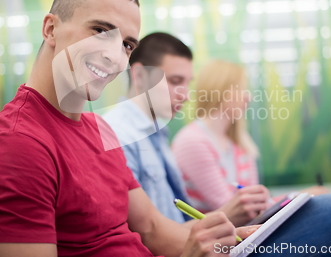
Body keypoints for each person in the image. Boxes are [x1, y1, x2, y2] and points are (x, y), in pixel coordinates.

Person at [0, 0, 252, 257]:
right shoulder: (15, 147)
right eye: (100, 31)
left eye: (126, 45)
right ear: (50, 29)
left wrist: (239, 239)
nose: (114, 56)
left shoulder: (100, 130)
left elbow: (153, 230)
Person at [103, 33, 272, 227]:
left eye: (187, 83)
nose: (187, 96)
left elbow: (175, 224)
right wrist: (228, 215)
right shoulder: (119, 135)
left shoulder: (157, 136)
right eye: (175, 81)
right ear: (140, 75)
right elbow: (149, 235)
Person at [171, 60, 326, 213]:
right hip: (221, 236)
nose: (248, 98)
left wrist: (298, 198)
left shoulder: (240, 141)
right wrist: (298, 197)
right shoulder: (191, 141)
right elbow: (235, 210)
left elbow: (256, 205)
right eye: (242, 90)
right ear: (220, 91)